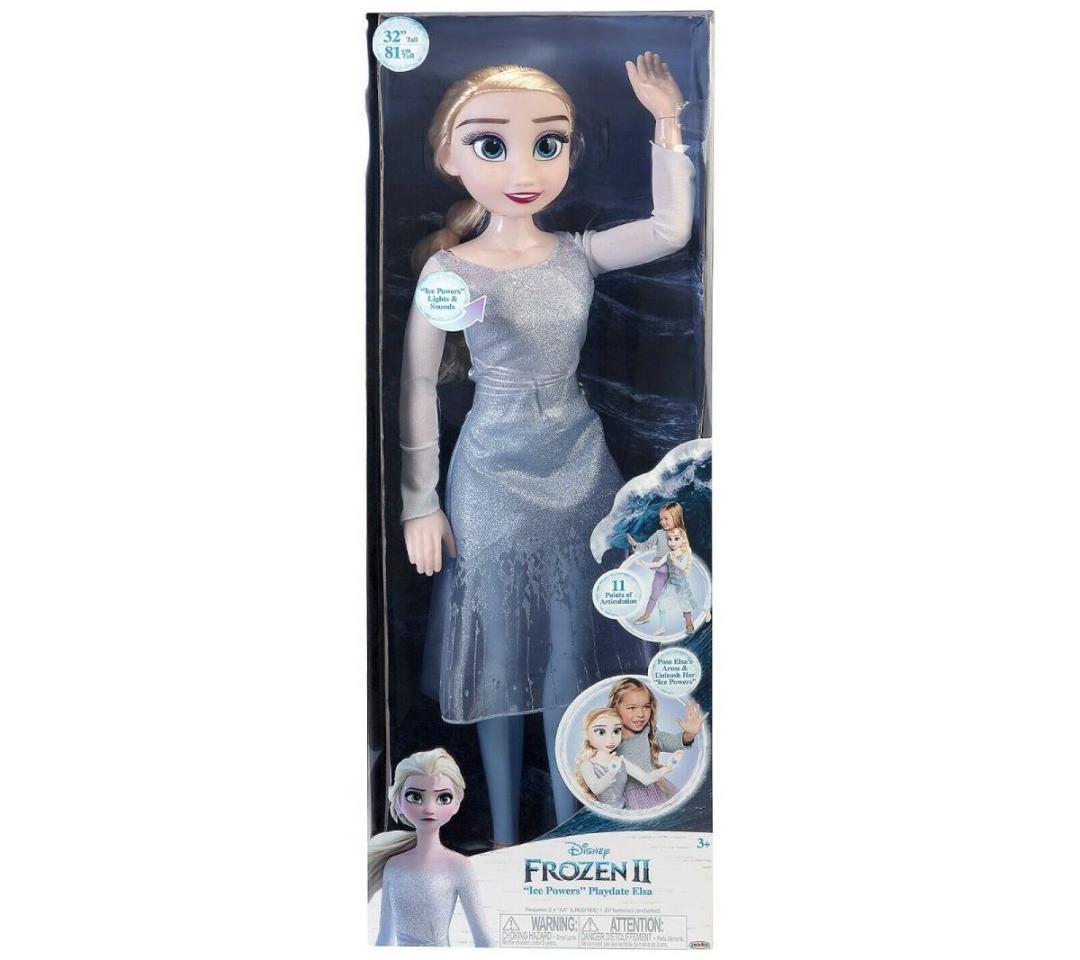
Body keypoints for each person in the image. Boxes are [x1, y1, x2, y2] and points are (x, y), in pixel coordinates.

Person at [400, 52, 695, 844]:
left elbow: (669, 229)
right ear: (450, 156)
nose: (524, 169)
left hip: (578, 459)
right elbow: (418, 383)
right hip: (490, 471)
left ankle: (574, 826)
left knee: (573, 652)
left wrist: (669, 123)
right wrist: (419, 503)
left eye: (548, 143)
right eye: (492, 145)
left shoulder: (576, 253)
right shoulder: (449, 271)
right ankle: (501, 838)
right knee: (497, 655)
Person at [369, 748, 494, 947]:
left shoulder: (459, 866)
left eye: (443, 798)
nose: (429, 809)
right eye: (415, 797)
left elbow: (483, 939)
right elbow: (385, 937)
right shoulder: (394, 866)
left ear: (456, 803)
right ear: (398, 801)